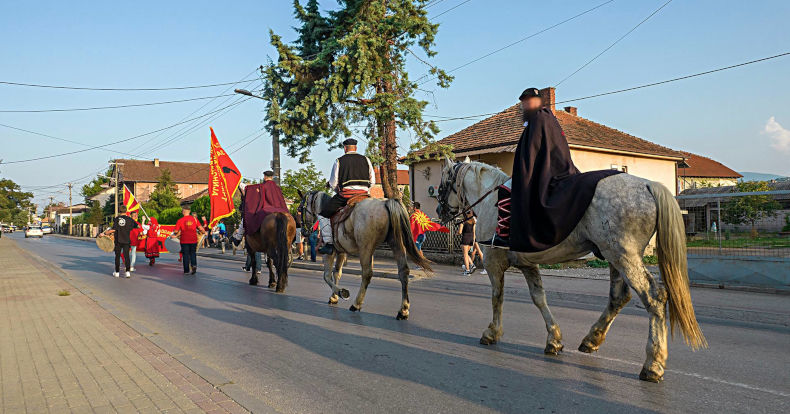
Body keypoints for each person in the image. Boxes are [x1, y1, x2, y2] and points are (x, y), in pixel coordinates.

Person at [492, 87, 622, 250]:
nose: (523, 107)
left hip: (547, 173)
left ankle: (503, 236)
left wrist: (522, 175)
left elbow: (531, 152)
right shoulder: (550, 118)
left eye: (526, 103)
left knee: (505, 190)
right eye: (523, 103)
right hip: (560, 168)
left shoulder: (537, 119)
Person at [318, 138, 376, 254]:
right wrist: (364, 190)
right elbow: (373, 181)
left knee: (323, 215)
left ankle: (329, 243)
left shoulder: (339, 161)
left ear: (345, 148)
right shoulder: (366, 159)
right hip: (364, 195)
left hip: (346, 195)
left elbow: (333, 183)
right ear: (356, 147)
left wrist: (336, 191)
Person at [101, 205, 137, 278]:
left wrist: (104, 233)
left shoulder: (117, 219)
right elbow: (137, 226)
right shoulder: (130, 219)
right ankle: (127, 272)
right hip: (127, 240)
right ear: (126, 211)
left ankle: (117, 272)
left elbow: (114, 229)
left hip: (118, 240)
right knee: (127, 256)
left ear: (119, 211)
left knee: (117, 256)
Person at [172, 206, 205, 275]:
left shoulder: (180, 220)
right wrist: (204, 232)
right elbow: (201, 228)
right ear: (189, 211)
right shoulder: (195, 219)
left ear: (183, 211)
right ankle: (194, 265)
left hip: (184, 240)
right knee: (193, 253)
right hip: (193, 240)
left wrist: (175, 233)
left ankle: (186, 271)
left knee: (185, 255)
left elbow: (176, 231)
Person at [458, 210, 477, 275]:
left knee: (465, 255)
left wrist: (456, 233)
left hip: (465, 238)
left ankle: (467, 270)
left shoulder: (463, 222)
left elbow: (460, 232)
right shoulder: (473, 221)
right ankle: (472, 265)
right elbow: (474, 232)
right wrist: (473, 241)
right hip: (471, 239)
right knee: (466, 253)